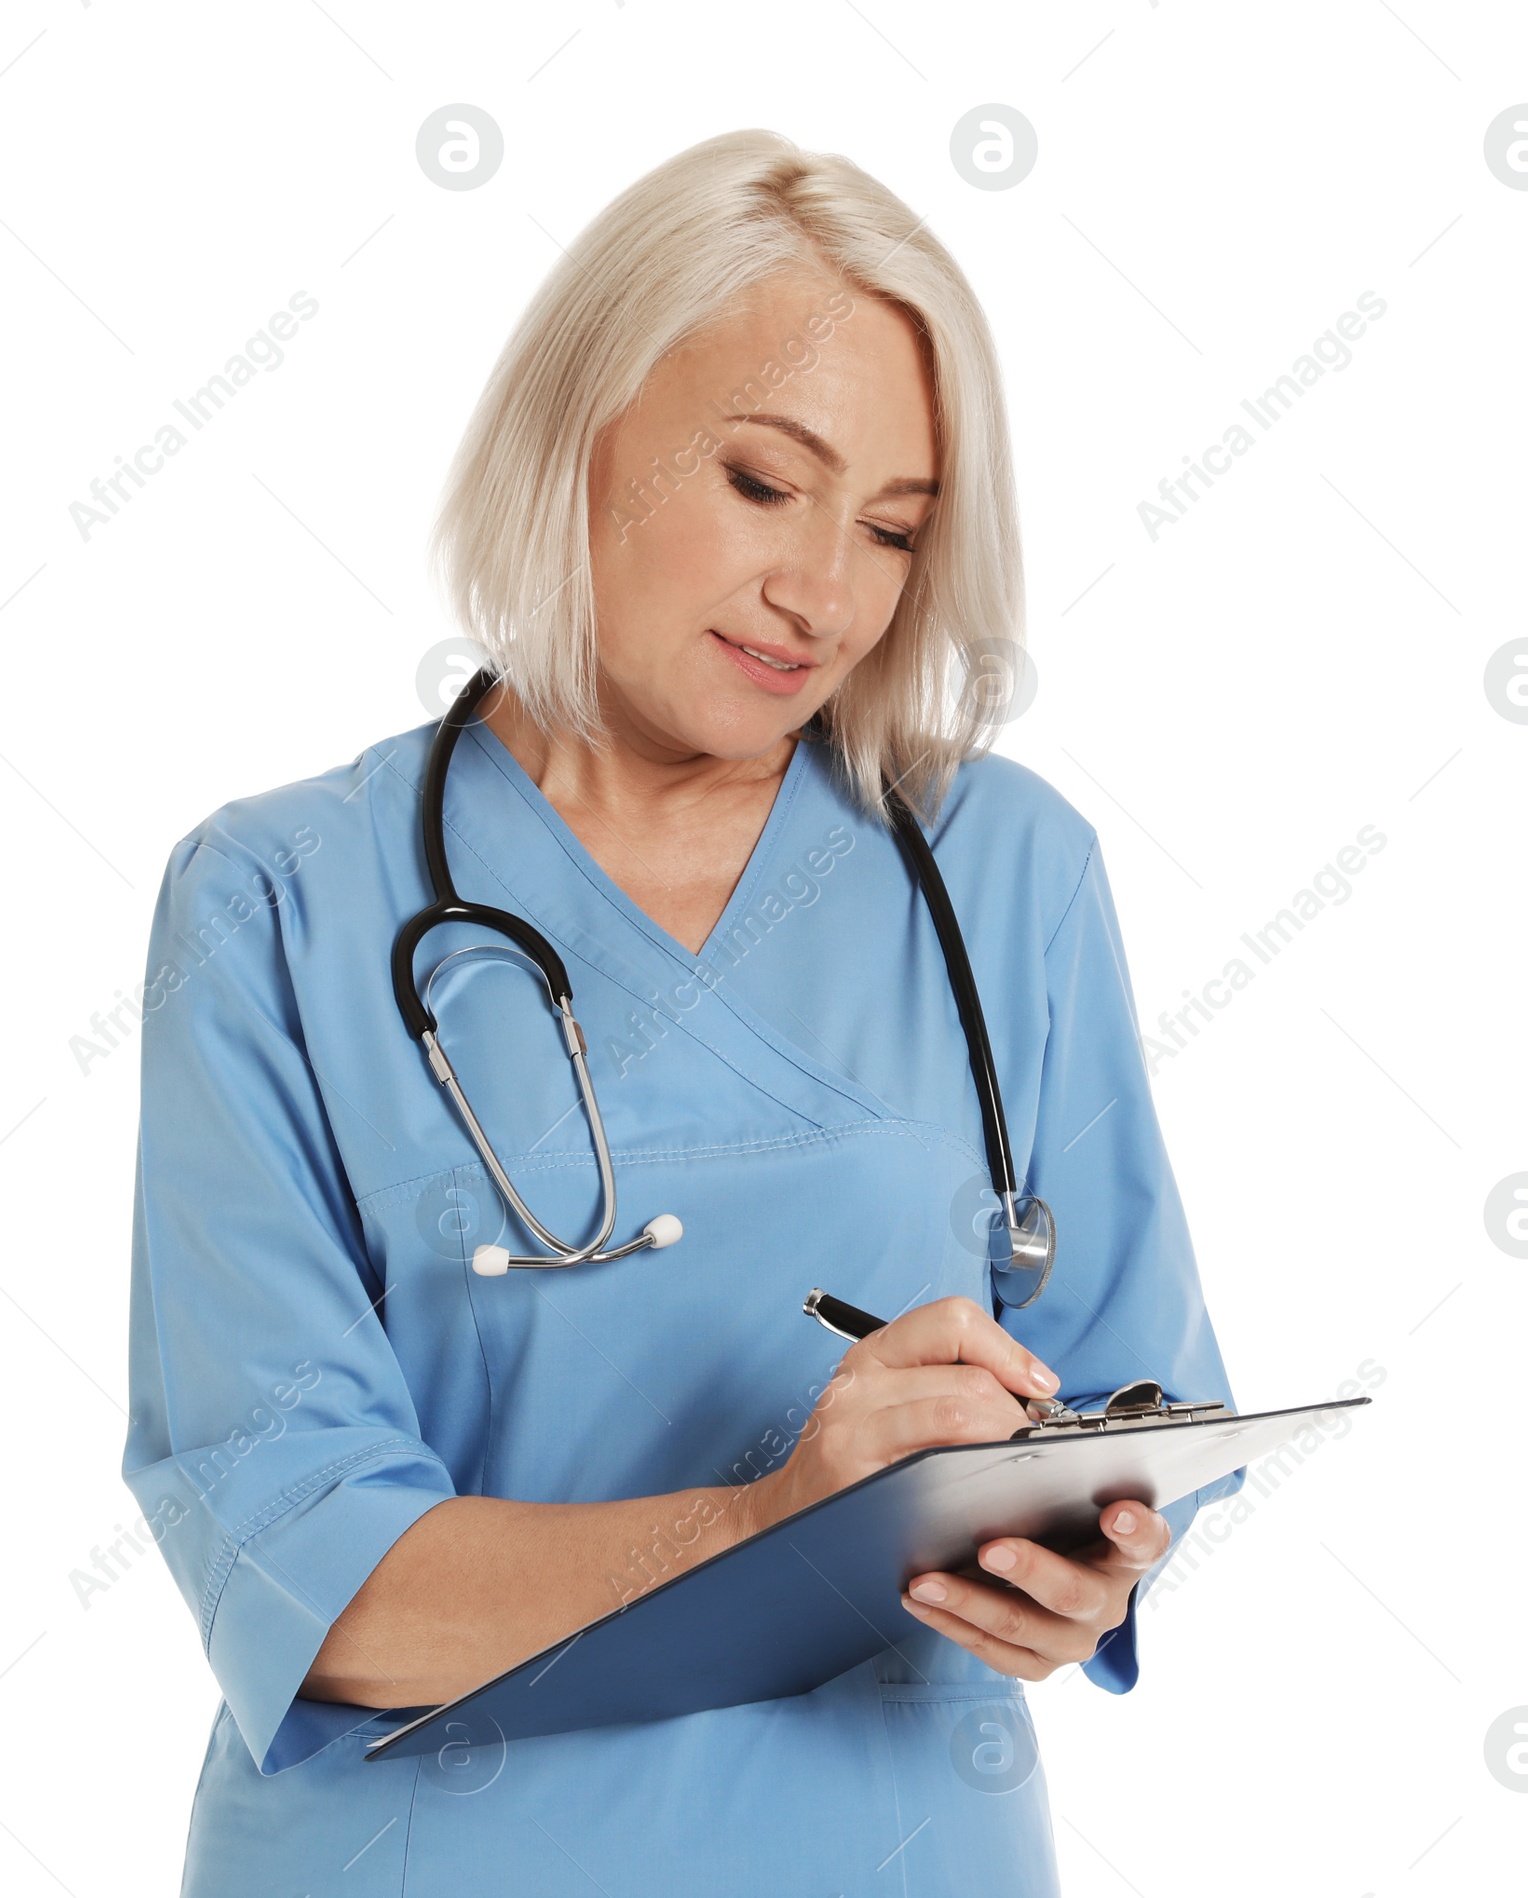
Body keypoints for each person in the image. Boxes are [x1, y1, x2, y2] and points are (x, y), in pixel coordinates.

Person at [123, 127, 1239, 1896]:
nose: (826, 594)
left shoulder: (1004, 873)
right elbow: (303, 1575)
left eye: (891, 529)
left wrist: (1086, 1558)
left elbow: (1130, 1409)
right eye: (760, 482)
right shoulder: (277, 903)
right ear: (584, 437)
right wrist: (777, 1527)